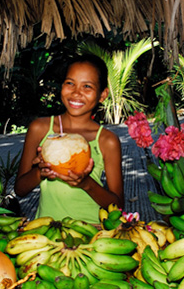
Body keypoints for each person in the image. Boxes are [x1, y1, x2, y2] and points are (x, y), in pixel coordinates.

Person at [14, 54, 124, 224]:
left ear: (102, 95)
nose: (76, 92)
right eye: (70, 83)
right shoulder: (40, 129)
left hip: (92, 232)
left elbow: (118, 205)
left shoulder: (107, 140)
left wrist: (86, 184)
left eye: (87, 86)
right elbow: (20, 189)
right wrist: (39, 172)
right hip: (46, 232)